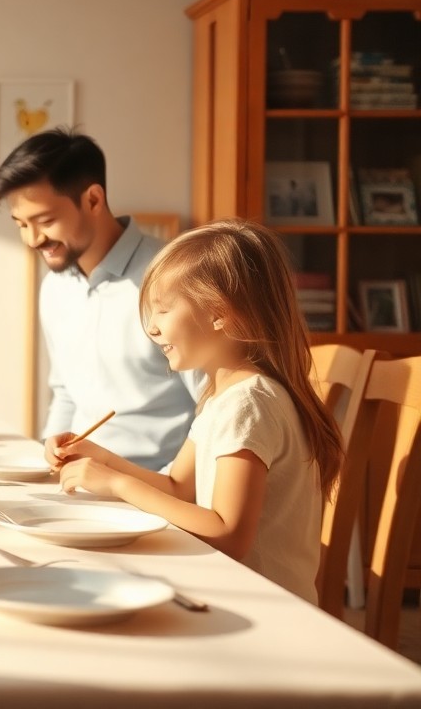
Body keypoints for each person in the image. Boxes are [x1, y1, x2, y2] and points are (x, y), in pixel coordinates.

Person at [46, 219, 341, 603]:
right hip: (236, 594)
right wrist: (98, 458)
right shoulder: (223, 395)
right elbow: (179, 490)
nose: (151, 328)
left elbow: (228, 534)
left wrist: (116, 484)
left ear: (220, 313)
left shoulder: (248, 404)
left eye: (163, 310)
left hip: (266, 610)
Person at [0, 127, 201, 470]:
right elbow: (66, 393)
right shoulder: (56, 288)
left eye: (45, 221)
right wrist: (49, 461)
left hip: (156, 491)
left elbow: (213, 403)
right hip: (80, 486)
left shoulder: (172, 278)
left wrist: (167, 489)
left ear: (94, 200)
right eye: (21, 224)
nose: (32, 239)